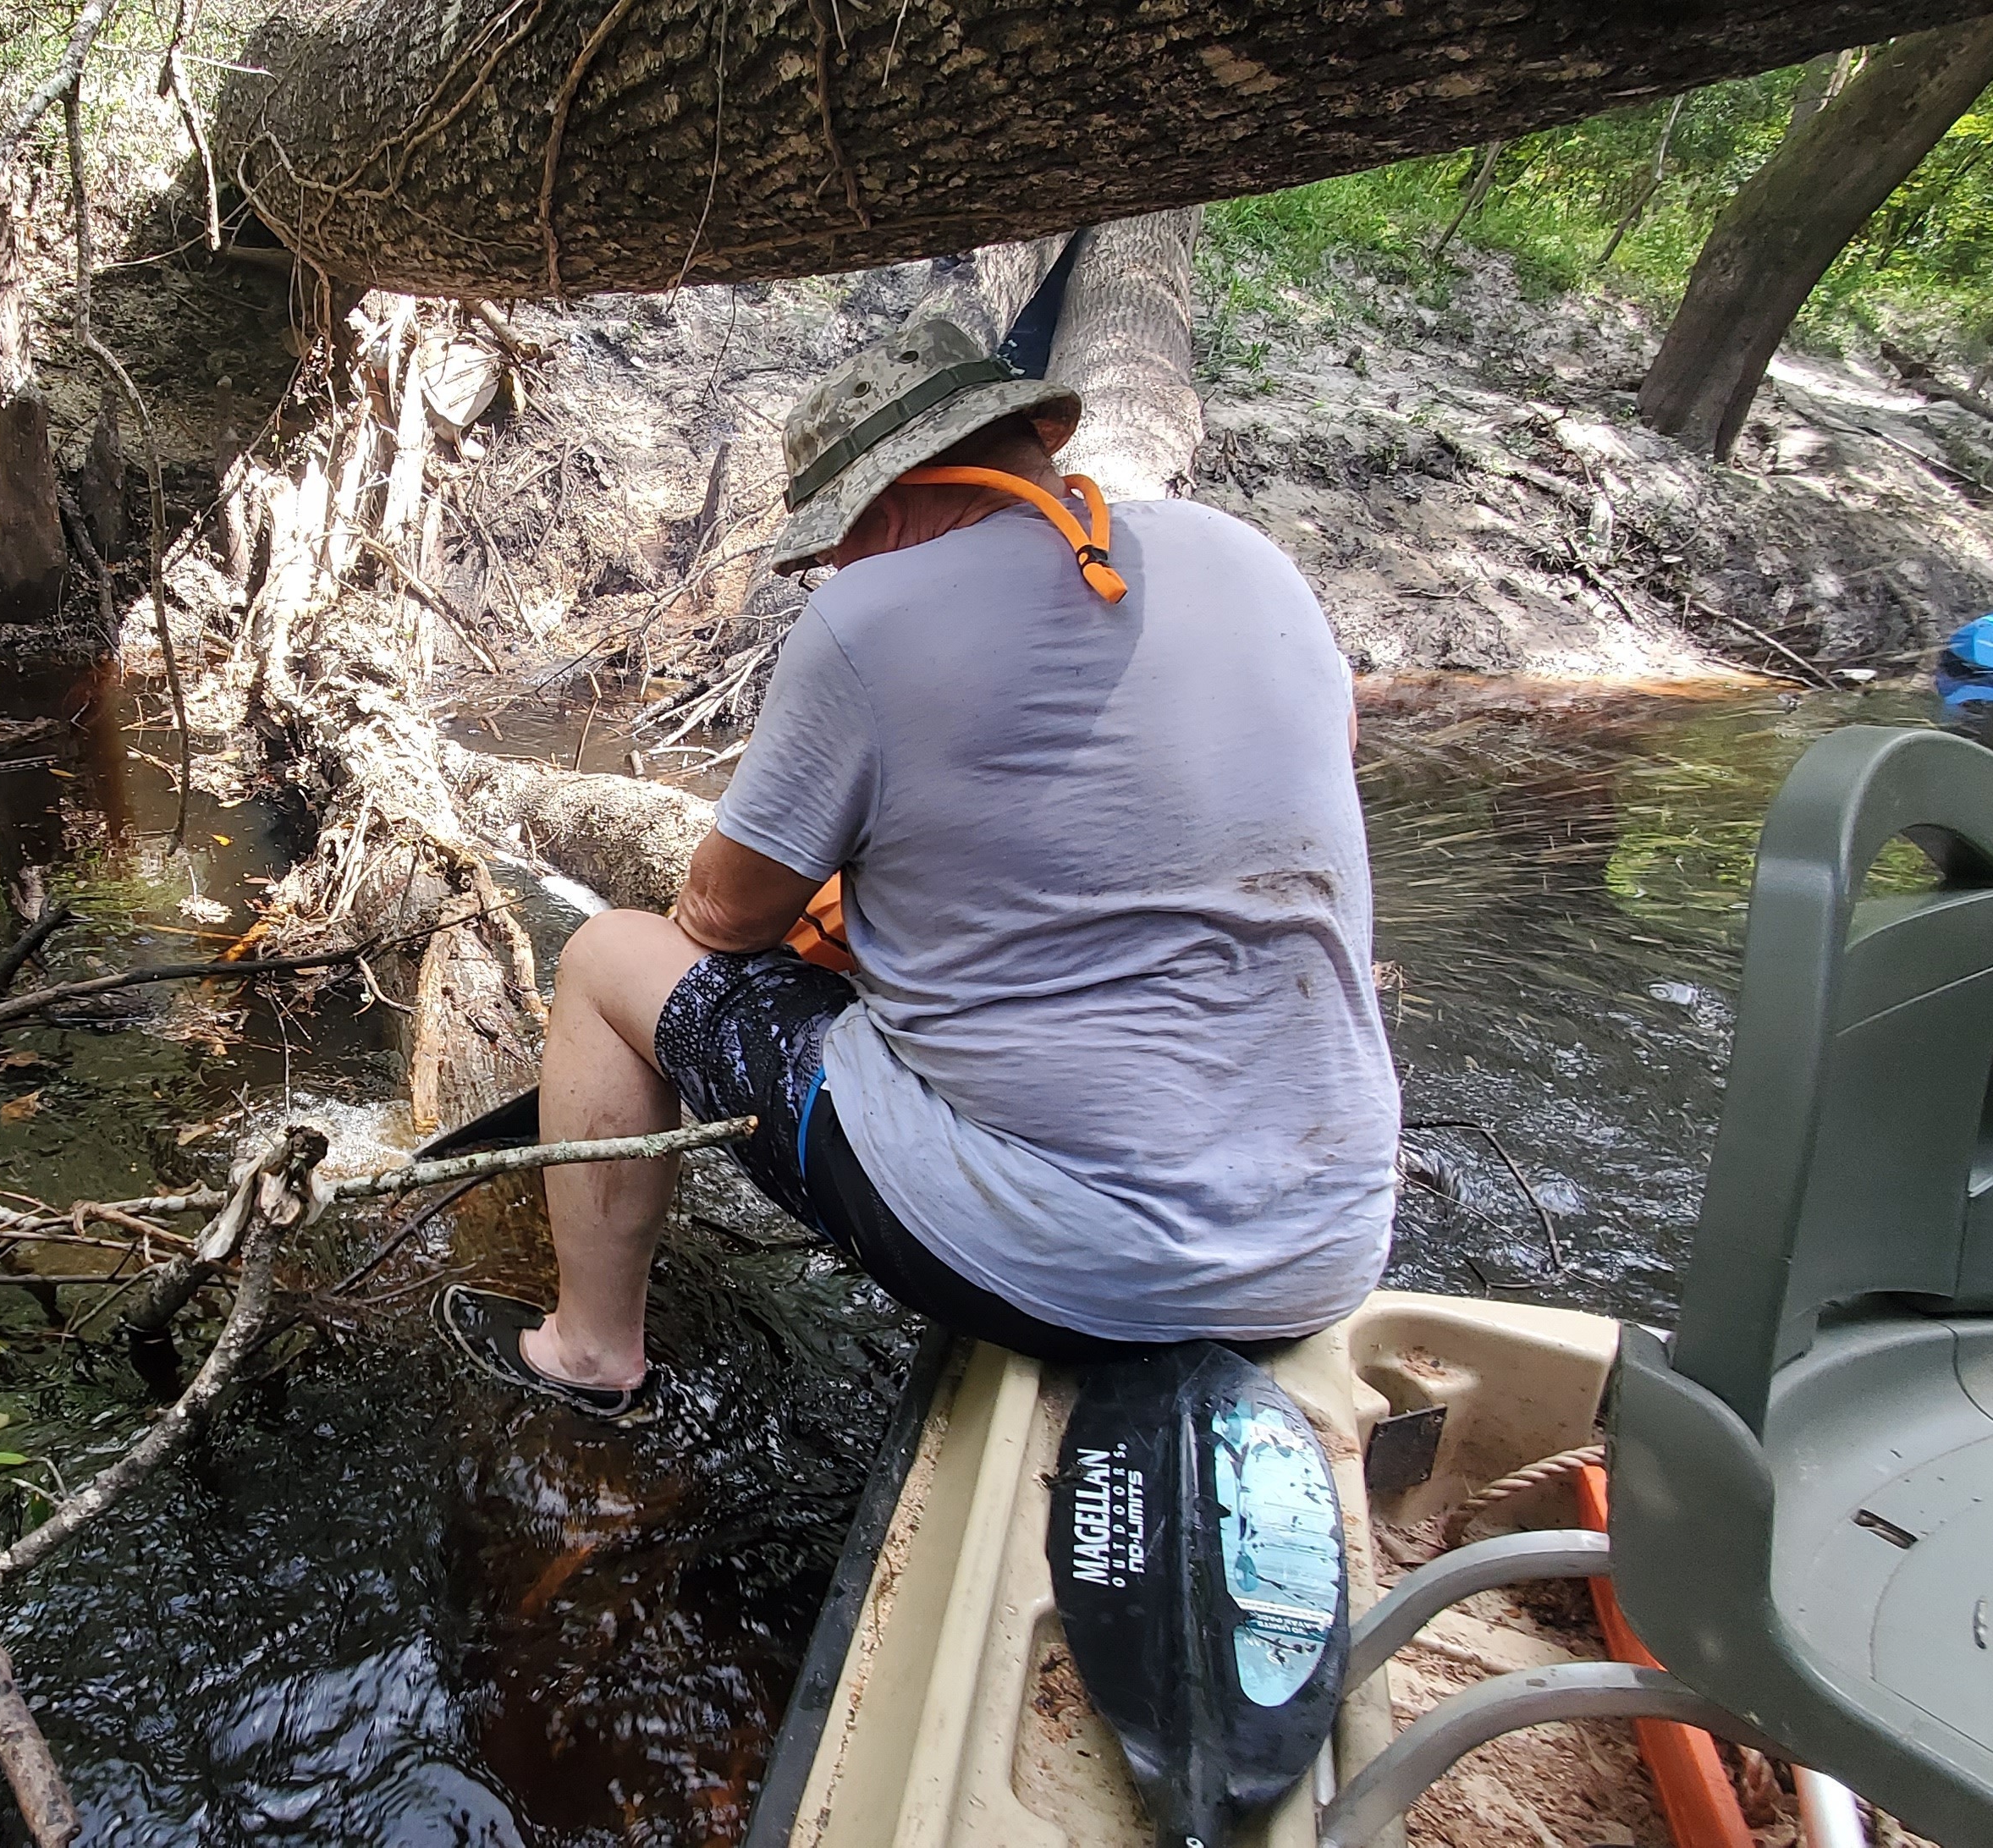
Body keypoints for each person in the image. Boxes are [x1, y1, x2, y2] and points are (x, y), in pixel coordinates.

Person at [440, 313, 1398, 1423]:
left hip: (1082, 1275)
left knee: (611, 955)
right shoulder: (1248, 557)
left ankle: (590, 1356)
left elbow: (720, 917)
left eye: (832, 554)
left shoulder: (873, 614)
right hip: (1329, 1241)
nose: (832, 576)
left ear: (884, 516)